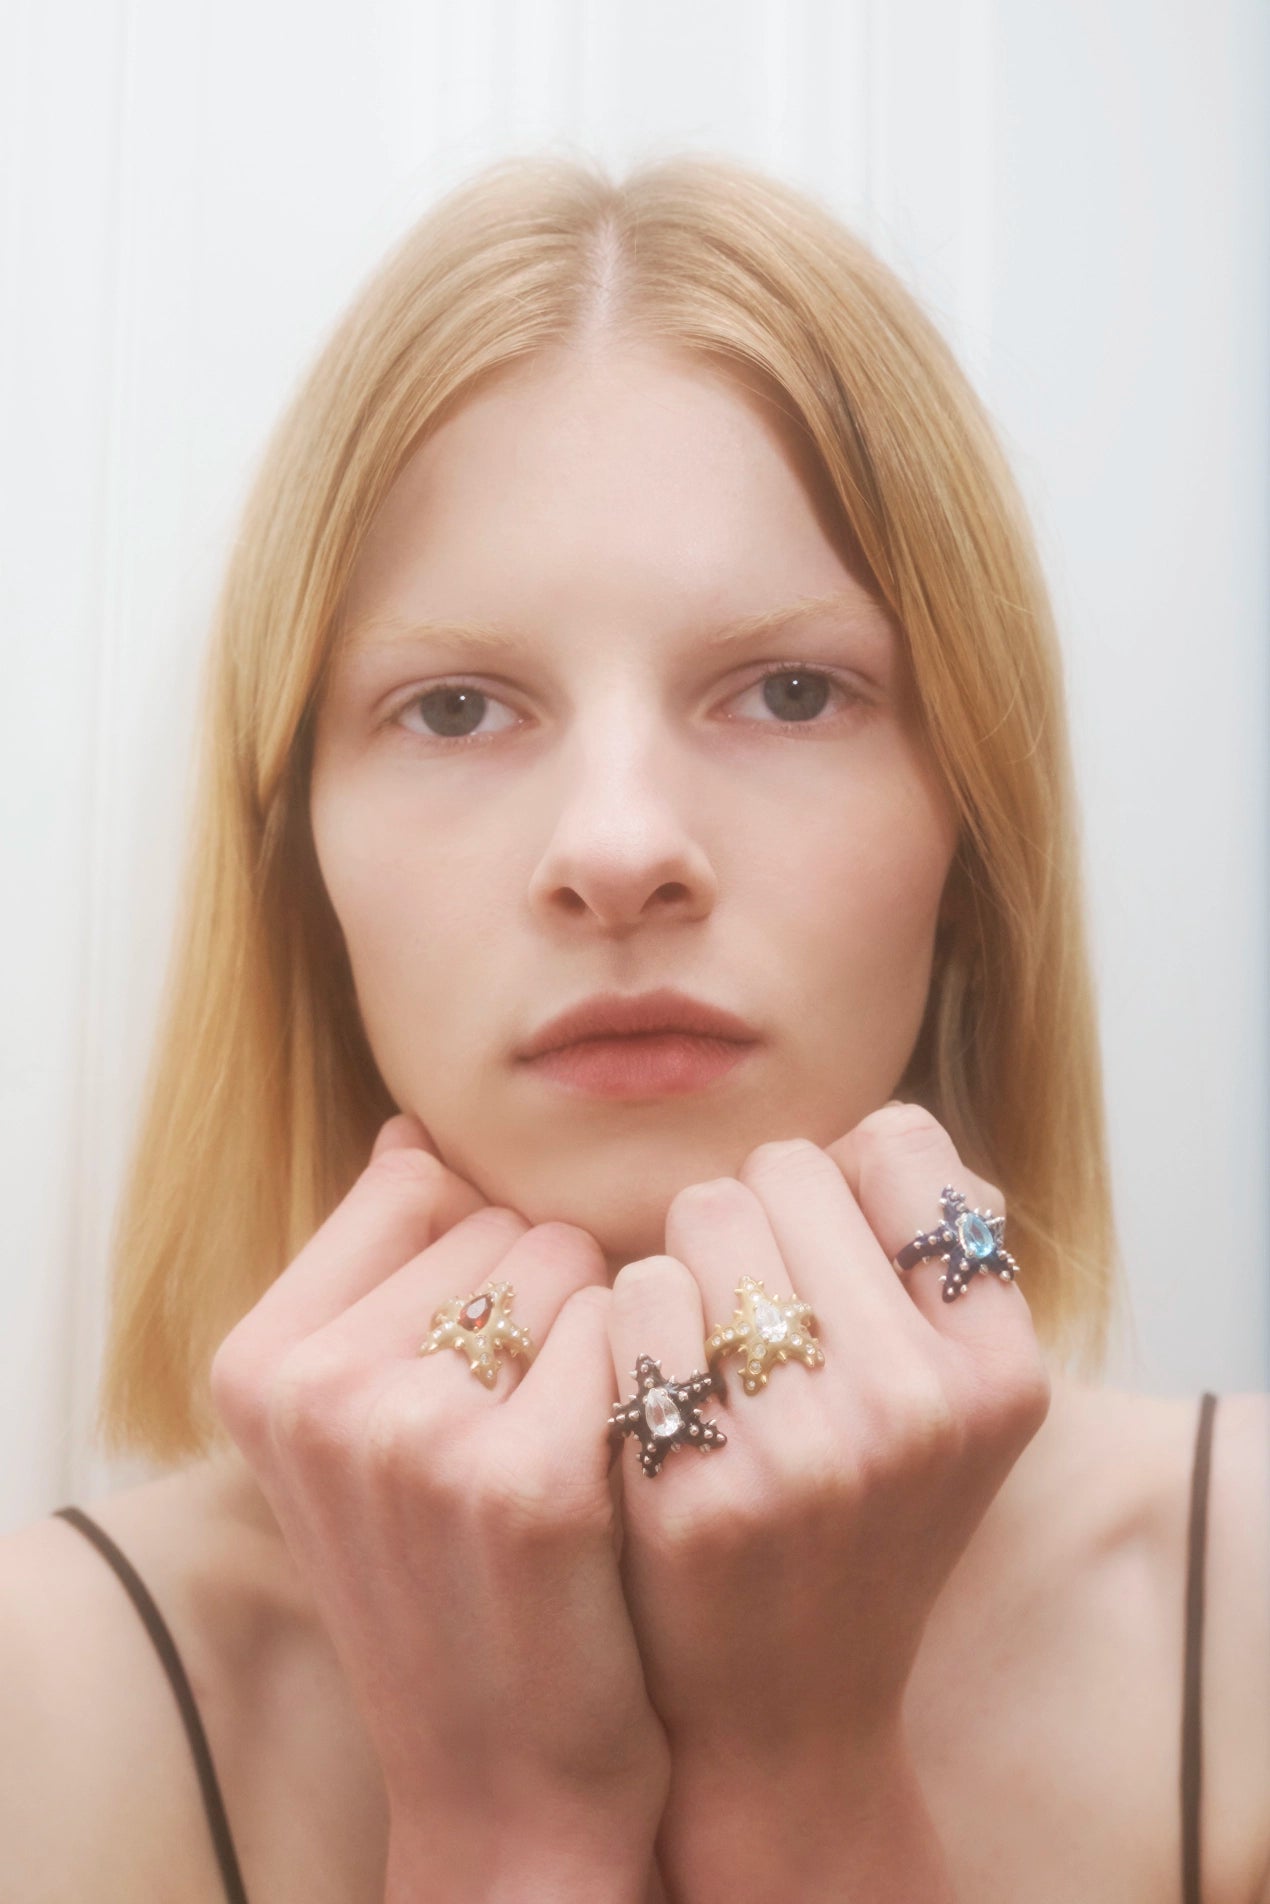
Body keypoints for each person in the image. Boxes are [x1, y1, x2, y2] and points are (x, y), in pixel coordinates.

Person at [1, 151, 1266, 1904]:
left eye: (791, 691)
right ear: (300, 864)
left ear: (972, 829)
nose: (617, 847)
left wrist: (804, 1794)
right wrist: (508, 1832)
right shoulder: (42, 1700)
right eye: (456, 708)